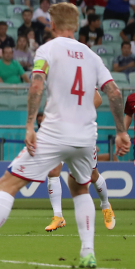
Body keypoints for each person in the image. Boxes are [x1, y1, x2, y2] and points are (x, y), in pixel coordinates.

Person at [0, 3, 130, 269]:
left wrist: (30, 125)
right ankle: (88, 253)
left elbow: (36, 85)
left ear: (53, 25)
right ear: (75, 25)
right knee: (80, 188)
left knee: (7, 184)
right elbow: (114, 93)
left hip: (54, 132)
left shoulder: (47, 49)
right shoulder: (92, 57)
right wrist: (121, 132)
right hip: (85, 136)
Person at [44, 97, 116, 232]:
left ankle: (106, 206)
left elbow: (98, 99)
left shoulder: (84, 82)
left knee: (93, 176)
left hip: (82, 134)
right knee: (52, 171)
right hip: (61, 134)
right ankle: (58, 216)